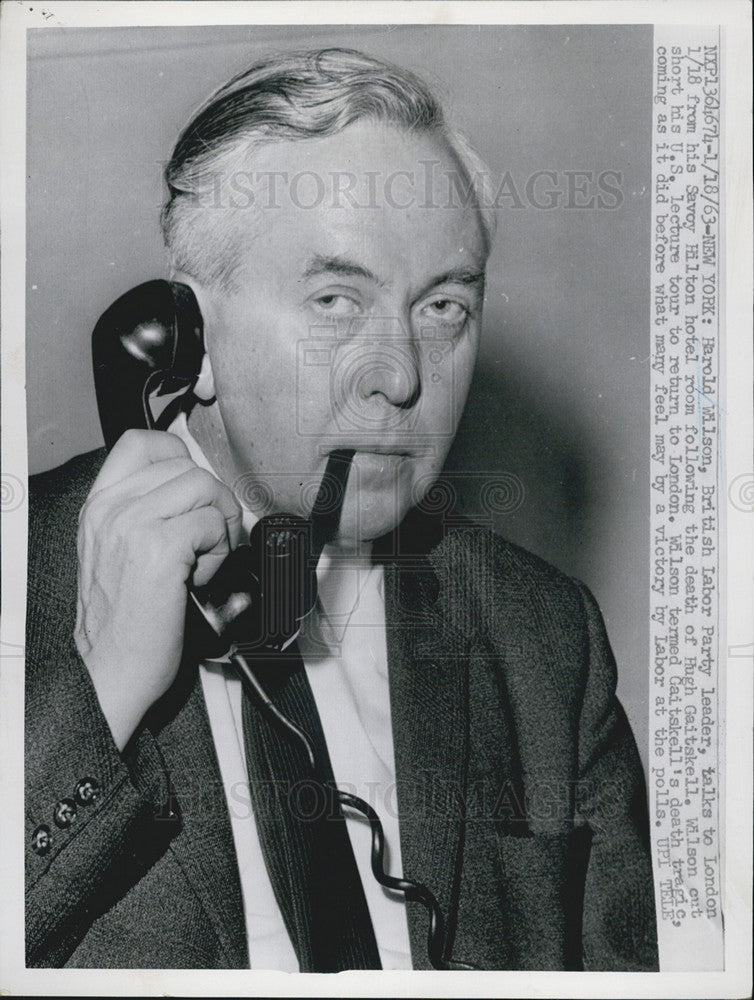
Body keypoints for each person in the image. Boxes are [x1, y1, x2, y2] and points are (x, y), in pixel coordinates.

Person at [25, 48, 658, 971]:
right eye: (334, 300)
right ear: (184, 339)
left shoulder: (544, 641)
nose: (400, 374)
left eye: (444, 307)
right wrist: (102, 694)